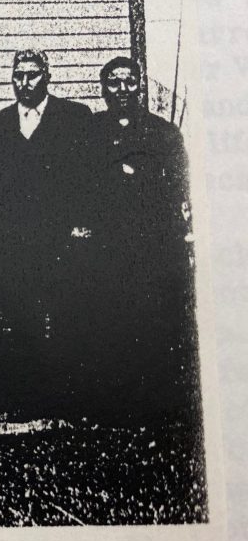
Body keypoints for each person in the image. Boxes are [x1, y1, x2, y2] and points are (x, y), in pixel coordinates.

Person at [73, 56, 195, 421]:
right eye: (114, 83)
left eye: (128, 82)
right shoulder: (89, 132)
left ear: (138, 86)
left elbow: (177, 187)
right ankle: (114, 402)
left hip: (152, 242)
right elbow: (79, 185)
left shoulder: (163, 133)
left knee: (153, 319)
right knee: (111, 320)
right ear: (103, 88)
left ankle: (156, 401)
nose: (122, 90)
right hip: (108, 243)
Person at [0, 49, 93, 418]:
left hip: (62, 237)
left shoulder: (75, 117)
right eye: (18, 75)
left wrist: (81, 224)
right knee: (22, 317)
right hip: (15, 241)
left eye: (32, 74)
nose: (24, 82)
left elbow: (86, 179)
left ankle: (69, 397)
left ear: (47, 76)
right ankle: (28, 398)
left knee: (66, 315)